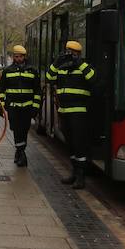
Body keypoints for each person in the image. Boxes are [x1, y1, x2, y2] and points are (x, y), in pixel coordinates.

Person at [47, 39, 95, 189]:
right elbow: (49, 78)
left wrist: (79, 62)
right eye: (68, 52)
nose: (70, 55)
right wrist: (56, 62)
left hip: (79, 113)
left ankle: (81, 177)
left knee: (79, 144)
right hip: (64, 111)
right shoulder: (61, 67)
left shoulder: (84, 66)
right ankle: (74, 172)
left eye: (73, 53)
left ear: (79, 54)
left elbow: (93, 79)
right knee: (71, 145)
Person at [0, 44, 39, 167]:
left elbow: (37, 91)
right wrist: (2, 105)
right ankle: (21, 154)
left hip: (27, 108)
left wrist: (35, 107)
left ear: (24, 57)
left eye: (20, 56)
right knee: (16, 130)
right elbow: (2, 90)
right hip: (13, 107)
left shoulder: (32, 71)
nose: (18, 59)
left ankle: (19, 151)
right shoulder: (7, 71)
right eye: (16, 56)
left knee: (24, 130)